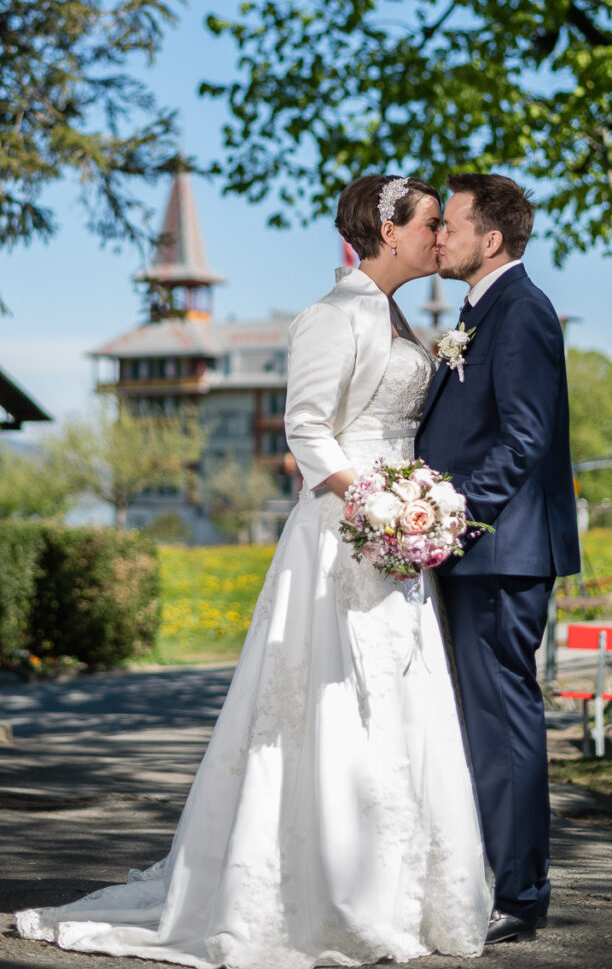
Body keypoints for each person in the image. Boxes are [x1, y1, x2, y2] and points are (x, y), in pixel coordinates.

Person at [16, 174, 493, 968]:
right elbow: (306, 429)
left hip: (398, 540)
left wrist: (417, 508)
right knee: (331, 705)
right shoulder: (330, 316)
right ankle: (325, 887)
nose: (438, 234)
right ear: (386, 232)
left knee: (401, 703)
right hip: (345, 537)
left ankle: (403, 885)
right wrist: (375, 502)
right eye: (428, 223)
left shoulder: (398, 317)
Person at [415, 173, 581, 945]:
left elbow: (523, 437)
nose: (437, 235)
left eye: (448, 224)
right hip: (478, 554)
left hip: (497, 555)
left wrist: (449, 521)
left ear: (490, 239)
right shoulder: (481, 311)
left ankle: (519, 893)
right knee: (477, 725)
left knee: (501, 723)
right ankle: (490, 874)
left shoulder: (521, 312)